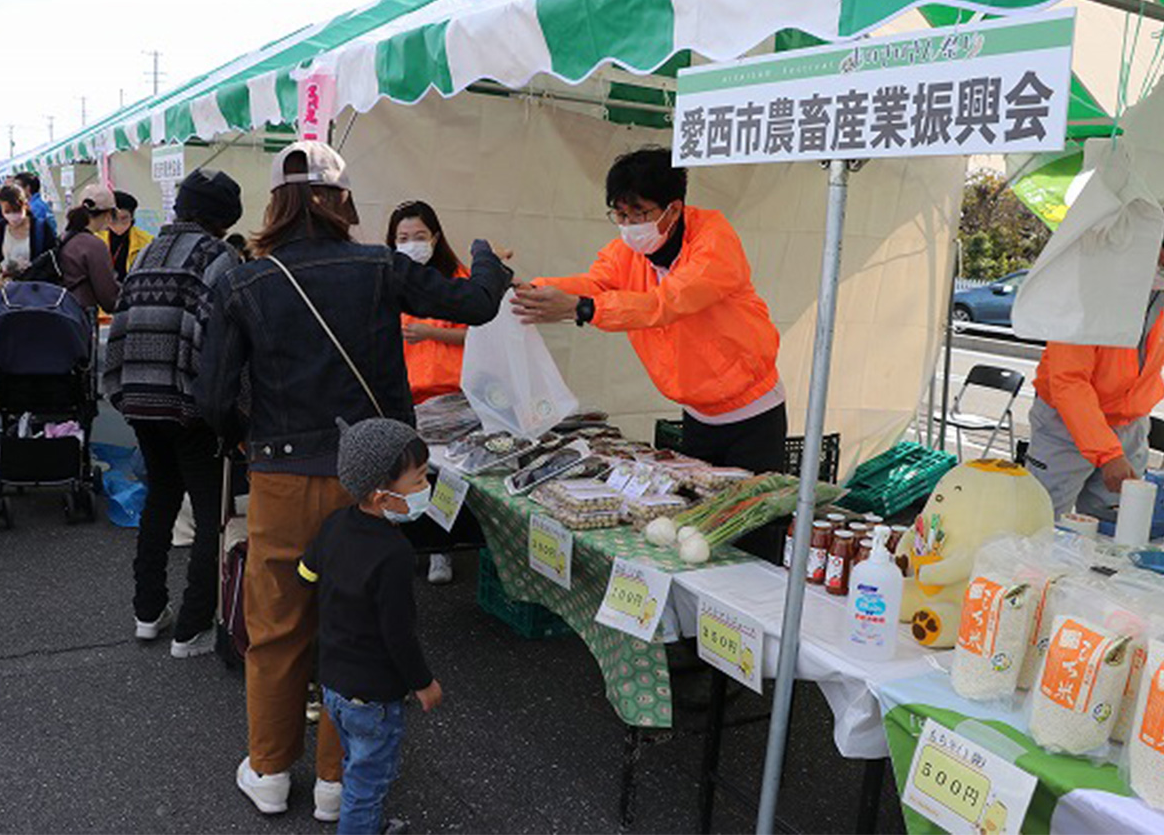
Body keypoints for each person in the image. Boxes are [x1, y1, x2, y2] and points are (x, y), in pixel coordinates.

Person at [197, 142, 510, 823]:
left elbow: (215, 398)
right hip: (368, 480)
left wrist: (247, 438)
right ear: (340, 201)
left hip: (280, 473)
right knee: (356, 628)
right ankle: (338, 783)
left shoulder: (243, 280)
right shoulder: (378, 265)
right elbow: (477, 304)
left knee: (277, 628)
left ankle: (272, 770)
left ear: (276, 202)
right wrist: (487, 255)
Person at [511, 146, 787, 473]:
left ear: (673, 210)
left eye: (638, 213)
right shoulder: (626, 251)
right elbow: (596, 283)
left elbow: (666, 303)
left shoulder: (714, 242)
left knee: (748, 516)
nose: (628, 225)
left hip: (753, 414)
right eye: (620, 214)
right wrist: (532, 290)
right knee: (697, 514)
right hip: (696, 412)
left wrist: (584, 309)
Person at [104, 169, 244, 658]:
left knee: (160, 498)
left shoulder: (147, 252)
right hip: (187, 404)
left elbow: (120, 324)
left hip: (139, 398)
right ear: (225, 218)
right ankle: (191, 628)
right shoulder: (219, 256)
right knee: (211, 514)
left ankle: (148, 612)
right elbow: (225, 338)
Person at [299, 418, 442, 835]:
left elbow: (305, 574)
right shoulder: (394, 554)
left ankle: (365, 824)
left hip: (334, 681)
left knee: (355, 762)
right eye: (418, 481)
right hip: (375, 693)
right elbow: (398, 633)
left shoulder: (335, 524)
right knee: (369, 780)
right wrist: (424, 683)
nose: (425, 487)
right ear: (383, 496)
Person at [1027, 257, 1164, 521]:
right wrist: (1107, 453)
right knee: (1043, 522)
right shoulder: (1087, 291)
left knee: (1118, 530)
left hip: (1129, 426)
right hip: (1064, 426)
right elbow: (1069, 382)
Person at [386, 200, 469, 585]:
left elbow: (482, 335)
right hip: (404, 398)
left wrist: (431, 332)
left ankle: (441, 549)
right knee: (405, 476)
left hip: (452, 399)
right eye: (403, 238)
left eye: (419, 236)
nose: (411, 243)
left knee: (445, 479)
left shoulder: (457, 279)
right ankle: (405, 546)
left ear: (435, 237)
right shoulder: (386, 280)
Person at [58, 184, 120, 313]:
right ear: (108, 214)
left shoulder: (63, 237)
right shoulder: (94, 245)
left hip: (58, 311)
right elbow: (108, 296)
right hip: (80, 315)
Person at [0, 182, 56, 281]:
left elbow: (50, 260)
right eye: (7, 211)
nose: (13, 216)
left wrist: (31, 268)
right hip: (6, 287)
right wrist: (0, 270)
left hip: (34, 287)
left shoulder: (41, 228)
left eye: (17, 210)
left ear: (25, 206)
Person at [97, 190, 154, 283]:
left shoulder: (146, 241)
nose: (119, 224)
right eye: (113, 219)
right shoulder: (96, 239)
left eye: (124, 218)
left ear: (132, 217)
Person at [13, 171, 59, 242]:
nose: (14, 191)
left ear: (27, 188)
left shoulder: (35, 207)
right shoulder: (40, 204)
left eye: (17, 188)